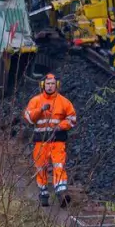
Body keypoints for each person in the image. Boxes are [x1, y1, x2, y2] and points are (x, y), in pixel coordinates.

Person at [23, 73, 78, 207]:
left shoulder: (64, 102)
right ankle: (43, 193)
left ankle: (61, 192)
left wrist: (60, 126)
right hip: (41, 142)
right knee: (40, 167)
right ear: (43, 85)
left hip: (57, 141)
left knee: (59, 165)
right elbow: (29, 118)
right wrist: (40, 110)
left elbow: (72, 119)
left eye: (52, 84)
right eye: (48, 84)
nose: (50, 86)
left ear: (57, 85)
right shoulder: (35, 101)